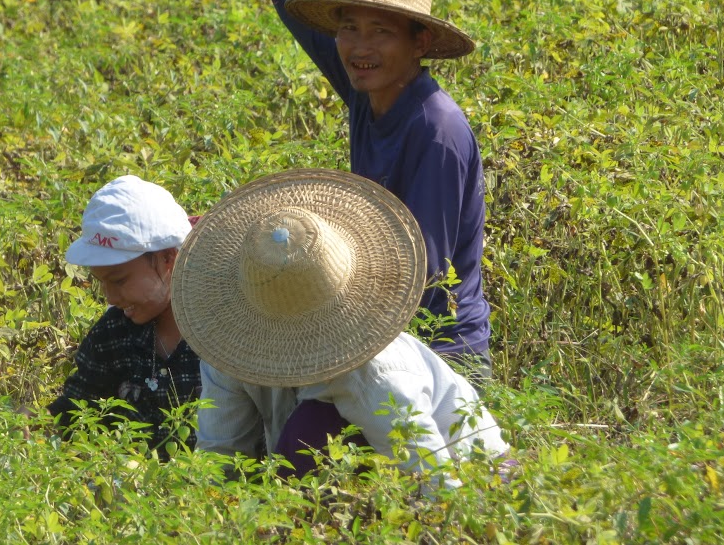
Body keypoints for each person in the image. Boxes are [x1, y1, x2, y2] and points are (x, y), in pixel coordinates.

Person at [239, 0, 492, 377]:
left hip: (440, 357)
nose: (358, 46)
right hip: (377, 335)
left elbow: (421, 273)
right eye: (350, 28)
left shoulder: (435, 130)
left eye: (381, 31)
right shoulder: (368, 87)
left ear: (419, 41)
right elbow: (293, 2)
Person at [171, 168, 511, 487]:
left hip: (482, 480)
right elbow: (219, 460)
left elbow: (436, 483)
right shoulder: (231, 349)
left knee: (312, 430)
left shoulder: (374, 374)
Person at [47, 175, 202, 458]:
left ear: (168, 258)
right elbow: (78, 408)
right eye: (101, 282)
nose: (110, 298)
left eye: (118, 281)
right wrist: (36, 422)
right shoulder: (115, 333)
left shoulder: (222, 332)